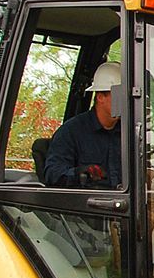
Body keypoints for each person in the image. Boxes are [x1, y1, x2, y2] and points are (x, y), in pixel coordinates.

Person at [44, 61, 125, 189]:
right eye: (120, 95)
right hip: (87, 201)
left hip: (124, 201)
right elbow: (53, 175)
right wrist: (81, 174)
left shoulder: (129, 133)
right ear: (100, 97)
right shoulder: (71, 132)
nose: (126, 101)